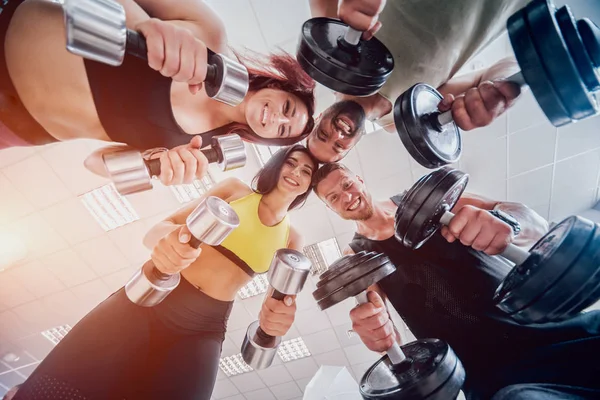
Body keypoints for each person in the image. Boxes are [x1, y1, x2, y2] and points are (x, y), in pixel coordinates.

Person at [13, 145, 319, 400]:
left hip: (204, 328)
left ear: (309, 185)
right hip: (154, 295)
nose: (296, 173)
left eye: (306, 172)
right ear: (277, 165)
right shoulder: (236, 191)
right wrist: (168, 243)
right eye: (291, 163)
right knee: (65, 382)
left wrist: (276, 323)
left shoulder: (292, 239)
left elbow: (275, 305)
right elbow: (158, 230)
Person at [312, 162, 600, 399]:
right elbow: (381, 320)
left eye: (346, 185)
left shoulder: (425, 198)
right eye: (334, 198)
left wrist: (506, 223)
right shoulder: (356, 256)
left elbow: (529, 220)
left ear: (359, 179)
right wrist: (376, 332)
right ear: (330, 208)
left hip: (549, 327)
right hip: (487, 374)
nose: (346, 197)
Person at [1, 0, 316, 186]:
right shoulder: (209, 32)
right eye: (287, 108)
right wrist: (143, 23)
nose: (276, 119)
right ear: (277, 86)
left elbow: (94, 163)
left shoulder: (196, 148)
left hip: (16, 129)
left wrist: (150, 165)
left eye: (282, 130)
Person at [306, 0, 525, 162]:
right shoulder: (406, 116)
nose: (337, 134)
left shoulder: (331, 57)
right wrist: (500, 88)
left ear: (319, 117)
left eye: (323, 134)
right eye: (338, 146)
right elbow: (497, 69)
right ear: (351, 147)